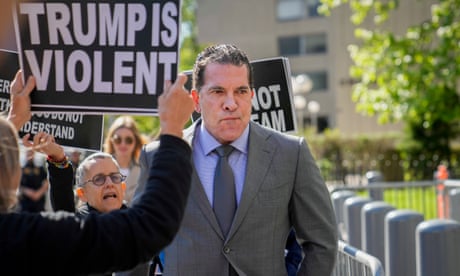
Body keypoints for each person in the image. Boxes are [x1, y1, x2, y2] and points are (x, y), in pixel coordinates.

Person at [133, 44, 338, 275]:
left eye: (240, 91)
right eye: (218, 91)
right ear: (196, 100)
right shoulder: (158, 156)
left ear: (251, 96)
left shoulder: (291, 153)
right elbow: (137, 244)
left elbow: (321, 242)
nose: (231, 103)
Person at [0, 70, 195, 275]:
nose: (109, 183)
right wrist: (173, 129)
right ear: (82, 194)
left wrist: (13, 121)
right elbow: (149, 227)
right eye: (99, 179)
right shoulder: (28, 237)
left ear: (123, 185)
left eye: (114, 176)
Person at [103, 115, 145, 206]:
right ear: (111, 141)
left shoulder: (144, 171)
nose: (123, 144)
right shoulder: (98, 167)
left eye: (128, 140)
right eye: (118, 139)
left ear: (136, 142)